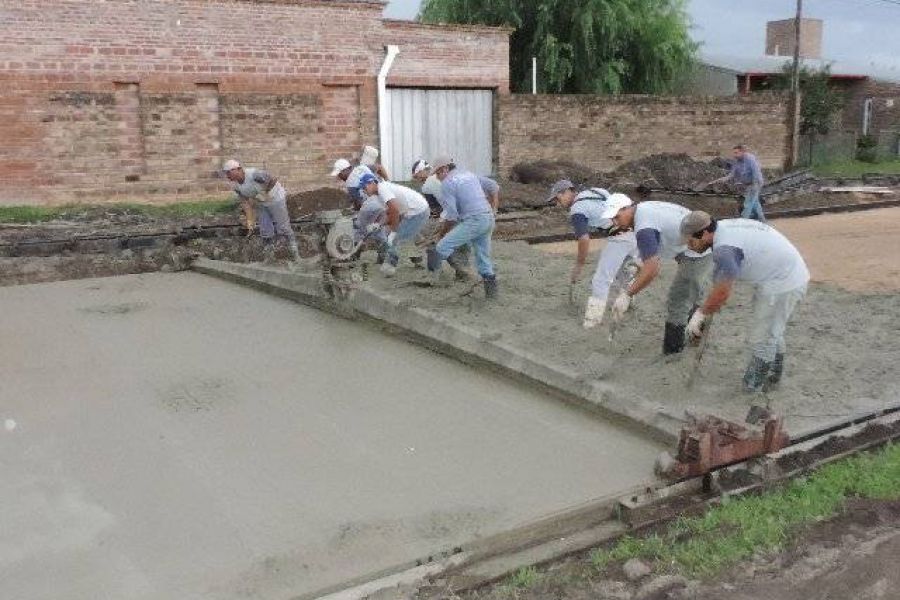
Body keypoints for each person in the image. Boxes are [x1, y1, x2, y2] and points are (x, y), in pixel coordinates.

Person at [681, 211, 809, 393]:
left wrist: (701, 313)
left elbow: (723, 292)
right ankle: (773, 377)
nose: (690, 246)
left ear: (705, 233)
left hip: (783, 281)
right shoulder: (722, 229)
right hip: (780, 273)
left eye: (691, 241)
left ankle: (753, 386)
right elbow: (720, 280)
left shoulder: (725, 249)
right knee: (772, 330)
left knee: (763, 336)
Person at [600, 195, 712, 355]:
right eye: (612, 219)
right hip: (685, 243)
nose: (615, 223)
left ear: (627, 208)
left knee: (677, 300)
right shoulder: (644, 210)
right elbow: (654, 245)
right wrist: (640, 263)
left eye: (617, 216)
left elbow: (652, 268)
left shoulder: (644, 227)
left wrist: (627, 294)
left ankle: (673, 353)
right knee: (688, 292)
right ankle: (694, 331)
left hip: (699, 249)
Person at [548, 179, 640, 329]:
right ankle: (628, 304)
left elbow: (584, 239)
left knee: (601, 279)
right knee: (625, 271)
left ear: (566, 192)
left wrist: (579, 264)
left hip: (620, 235)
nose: (557, 204)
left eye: (557, 199)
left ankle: (593, 322)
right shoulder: (595, 191)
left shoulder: (577, 210)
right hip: (635, 231)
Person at [427, 155, 498, 299]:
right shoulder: (469, 174)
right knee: (483, 257)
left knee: (441, 247)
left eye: (437, 174)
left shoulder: (447, 183)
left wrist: (442, 233)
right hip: (488, 218)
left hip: (473, 220)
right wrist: (494, 208)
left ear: (445, 169)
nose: (438, 178)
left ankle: (435, 276)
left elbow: (452, 215)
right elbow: (494, 187)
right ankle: (492, 294)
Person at [223, 159, 300, 264]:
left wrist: (265, 193)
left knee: (283, 226)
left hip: (275, 198)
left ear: (238, 169)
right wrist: (250, 220)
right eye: (226, 173)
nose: (227, 176)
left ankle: (294, 254)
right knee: (265, 228)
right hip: (261, 202)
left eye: (228, 172)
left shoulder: (254, 174)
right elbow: (245, 202)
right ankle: (269, 257)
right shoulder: (236, 185)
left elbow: (272, 180)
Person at [357, 173, 430, 277]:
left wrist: (393, 231)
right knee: (405, 235)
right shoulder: (379, 195)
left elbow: (395, 211)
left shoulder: (382, 188)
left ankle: (390, 267)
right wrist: (377, 224)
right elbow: (389, 213)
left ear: (372, 183)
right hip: (410, 211)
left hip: (418, 211)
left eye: (364, 187)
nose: (363, 190)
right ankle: (417, 258)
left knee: (397, 239)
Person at [705, 145, 766, 222]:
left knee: (748, 203)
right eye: (734, 153)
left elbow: (756, 173)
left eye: (736, 153)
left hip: (755, 183)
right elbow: (731, 175)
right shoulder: (736, 161)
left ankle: (742, 222)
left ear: (742, 152)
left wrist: (755, 185)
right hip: (747, 184)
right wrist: (717, 181)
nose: (734, 155)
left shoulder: (750, 159)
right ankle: (763, 221)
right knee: (755, 204)